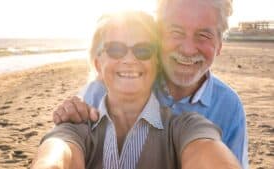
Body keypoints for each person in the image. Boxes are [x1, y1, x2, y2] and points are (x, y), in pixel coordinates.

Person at [52, 0, 249, 168]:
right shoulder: (118, 84)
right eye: (176, 32)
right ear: (159, 36)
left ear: (220, 45)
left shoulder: (228, 106)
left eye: (203, 35)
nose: (188, 49)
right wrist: (70, 115)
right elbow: (69, 146)